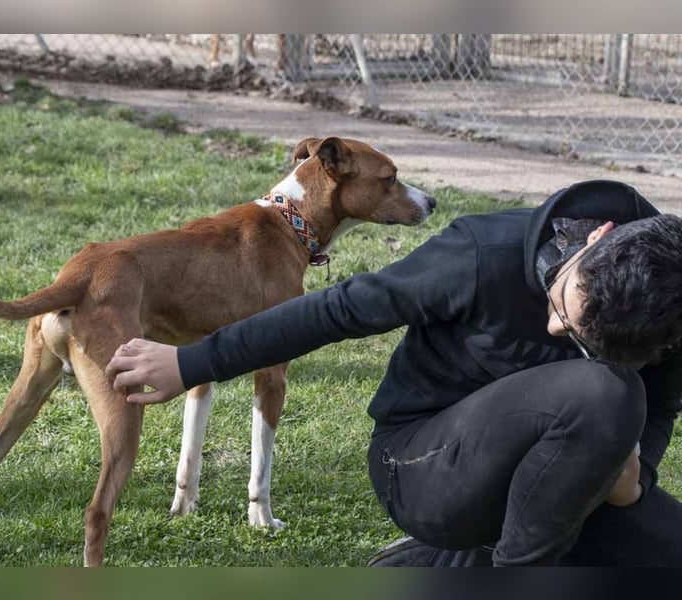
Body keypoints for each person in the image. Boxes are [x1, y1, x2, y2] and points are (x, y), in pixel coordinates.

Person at [105, 180, 682, 566]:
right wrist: (190, 361)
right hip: (424, 464)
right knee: (604, 392)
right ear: (598, 237)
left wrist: (639, 478)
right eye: (563, 306)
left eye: (584, 336)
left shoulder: (671, 304)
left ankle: (448, 566)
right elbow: (340, 309)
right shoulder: (482, 254)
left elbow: (658, 407)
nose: (558, 331)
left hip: (564, 483)